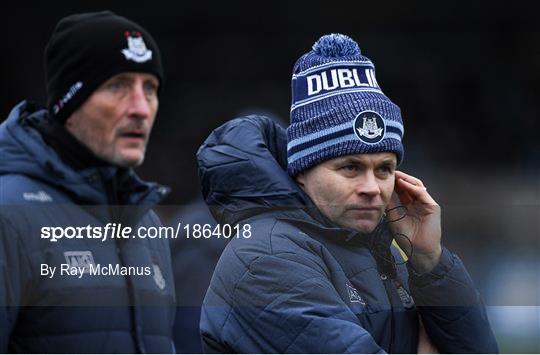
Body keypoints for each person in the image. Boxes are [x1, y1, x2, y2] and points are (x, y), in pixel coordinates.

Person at [197, 34, 499, 353]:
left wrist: (430, 262)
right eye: (350, 168)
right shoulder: (266, 258)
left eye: (384, 169)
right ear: (302, 171)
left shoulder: (384, 250)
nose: (371, 187)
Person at [0, 11, 175, 353]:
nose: (141, 108)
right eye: (118, 86)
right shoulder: (10, 215)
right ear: (69, 102)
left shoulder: (147, 224)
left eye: (150, 88)